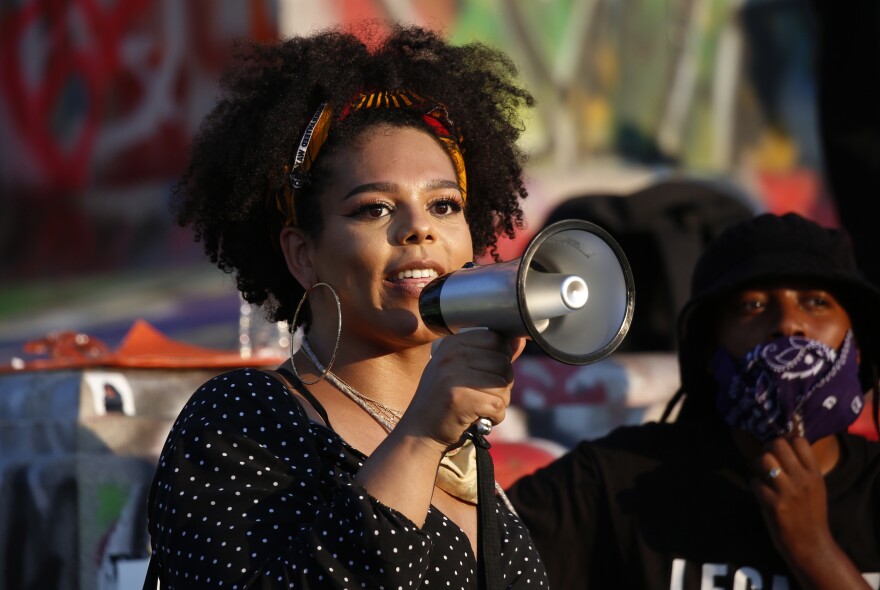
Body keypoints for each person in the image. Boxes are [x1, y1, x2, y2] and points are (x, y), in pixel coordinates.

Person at [144, 23, 549, 589]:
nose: (419, 229)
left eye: (444, 204)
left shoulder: (467, 445)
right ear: (303, 255)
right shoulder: (242, 419)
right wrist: (420, 438)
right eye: (375, 209)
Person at [506, 212, 880, 589]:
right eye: (751, 306)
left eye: (816, 302)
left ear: (859, 347)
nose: (787, 323)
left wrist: (815, 551)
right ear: (709, 350)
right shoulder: (611, 482)